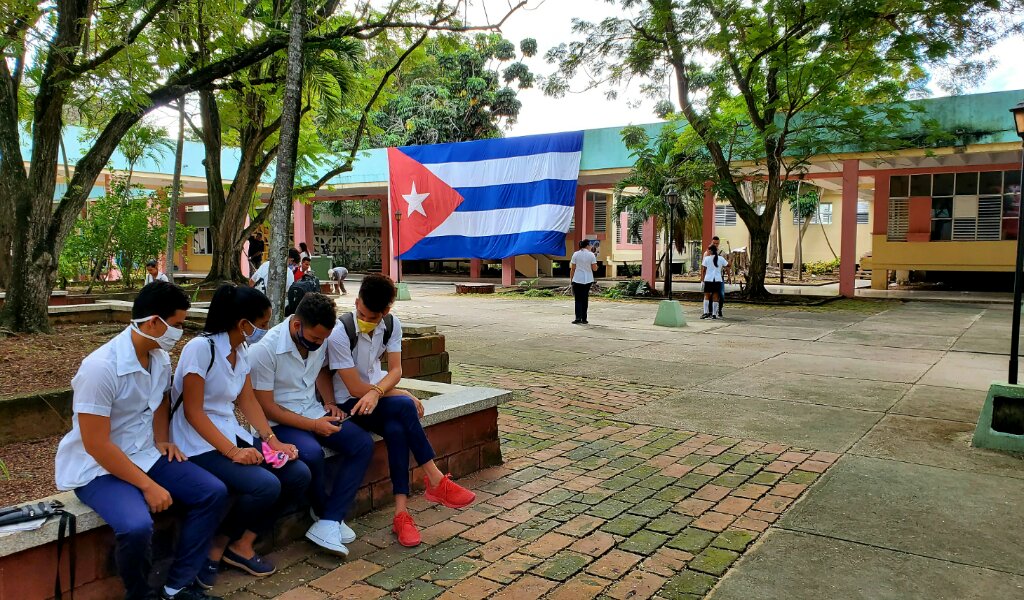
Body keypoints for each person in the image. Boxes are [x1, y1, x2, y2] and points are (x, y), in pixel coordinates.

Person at [53, 281, 228, 600]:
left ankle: (177, 586)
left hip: (144, 453)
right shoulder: (100, 368)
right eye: (175, 325)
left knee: (212, 492)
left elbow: (160, 398)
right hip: (97, 468)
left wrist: (161, 439)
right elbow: (96, 444)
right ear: (152, 323)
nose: (179, 332)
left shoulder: (158, 358)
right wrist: (147, 486)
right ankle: (140, 595)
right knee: (135, 526)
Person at [171, 284, 311, 589]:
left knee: (297, 473)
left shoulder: (241, 350)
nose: (264, 331)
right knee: (265, 485)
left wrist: (272, 441)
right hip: (197, 442)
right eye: (261, 325)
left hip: (229, 433)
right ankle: (217, 547)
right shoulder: (200, 349)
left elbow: (247, 399)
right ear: (242, 323)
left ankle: (241, 545)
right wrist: (233, 453)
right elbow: (194, 413)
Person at [327, 275, 476, 548]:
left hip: (375, 398)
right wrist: (394, 392)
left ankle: (401, 514)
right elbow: (354, 387)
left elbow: (396, 370)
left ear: (386, 311)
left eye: (373, 316)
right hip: (350, 403)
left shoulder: (391, 325)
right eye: (361, 312)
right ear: (356, 301)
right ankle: (435, 479)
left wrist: (381, 391)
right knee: (406, 405)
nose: (366, 319)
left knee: (397, 429)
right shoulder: (340, 331)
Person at [248, 293, 373, 556]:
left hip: (314, 411)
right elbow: (266, 406)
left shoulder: (320, 340)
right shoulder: (264, 350)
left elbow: (322, 373)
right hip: (278, 423)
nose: (319, 344)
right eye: (315, 338)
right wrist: (314, 426)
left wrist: (329, 402)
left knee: (361, 443)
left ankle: (330, 519)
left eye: (323, 339)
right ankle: (325, 512)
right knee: (312, 454)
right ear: (296, 326)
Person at [569, 240, 598, 324]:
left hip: (577, 279)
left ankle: (578, 318)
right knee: (585, 299)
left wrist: (571, 280)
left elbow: (573, 268)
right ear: (587, 245)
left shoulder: (575, 254)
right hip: (588, 279)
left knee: (577, 299)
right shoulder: (591, 255)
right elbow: (594, 268)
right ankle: (584, 319)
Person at [701, 245, 729, 320]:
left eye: (708, 250)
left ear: (710, 251)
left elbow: (704, 270)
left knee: (706, 296)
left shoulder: (706, 259)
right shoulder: (721, 258)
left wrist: (702, 280)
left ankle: (705, 313)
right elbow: (728, 265)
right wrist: (731, 260)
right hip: (717, 279)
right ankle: (714, 314)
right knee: (715, 296)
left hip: (708, 279)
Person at [704, 236, 725, 317]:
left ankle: (718, 310)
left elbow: (726, 265)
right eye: (714, 243)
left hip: (719, 277)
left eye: (717, 243)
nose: (716, 245)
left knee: (721, 295)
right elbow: (704, 266)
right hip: (709, 278)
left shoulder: (722, 253)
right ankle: (710, 312)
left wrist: (729, 276)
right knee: (709, 295)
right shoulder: (707, 253)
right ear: (712, 243)